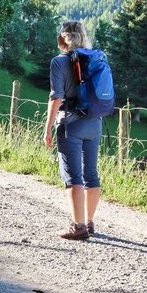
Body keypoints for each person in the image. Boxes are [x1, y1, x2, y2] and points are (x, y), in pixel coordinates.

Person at [43, 20, 102, 240]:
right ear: (84, 36)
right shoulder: (96, 57)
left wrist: (47, 128)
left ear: (62, 38)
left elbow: (56, 97)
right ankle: (89, 222)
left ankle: (78, 227)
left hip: (70, 123)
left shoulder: (59, 62)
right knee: (91, 174)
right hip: (94, 122)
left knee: (74, 176)